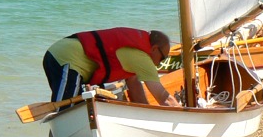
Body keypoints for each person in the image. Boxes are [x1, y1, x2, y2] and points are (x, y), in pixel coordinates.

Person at [42, 27, 180, 106]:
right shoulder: (142, 58)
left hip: (60, 55)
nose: (160, 63)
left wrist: (148, 117)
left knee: (71, 109)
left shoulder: (135, 58)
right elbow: (164, 98)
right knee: (65, 111)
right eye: (163, 58)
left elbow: (137, 93)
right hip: (65, 58)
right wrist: (183, 119)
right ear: (155, 48)